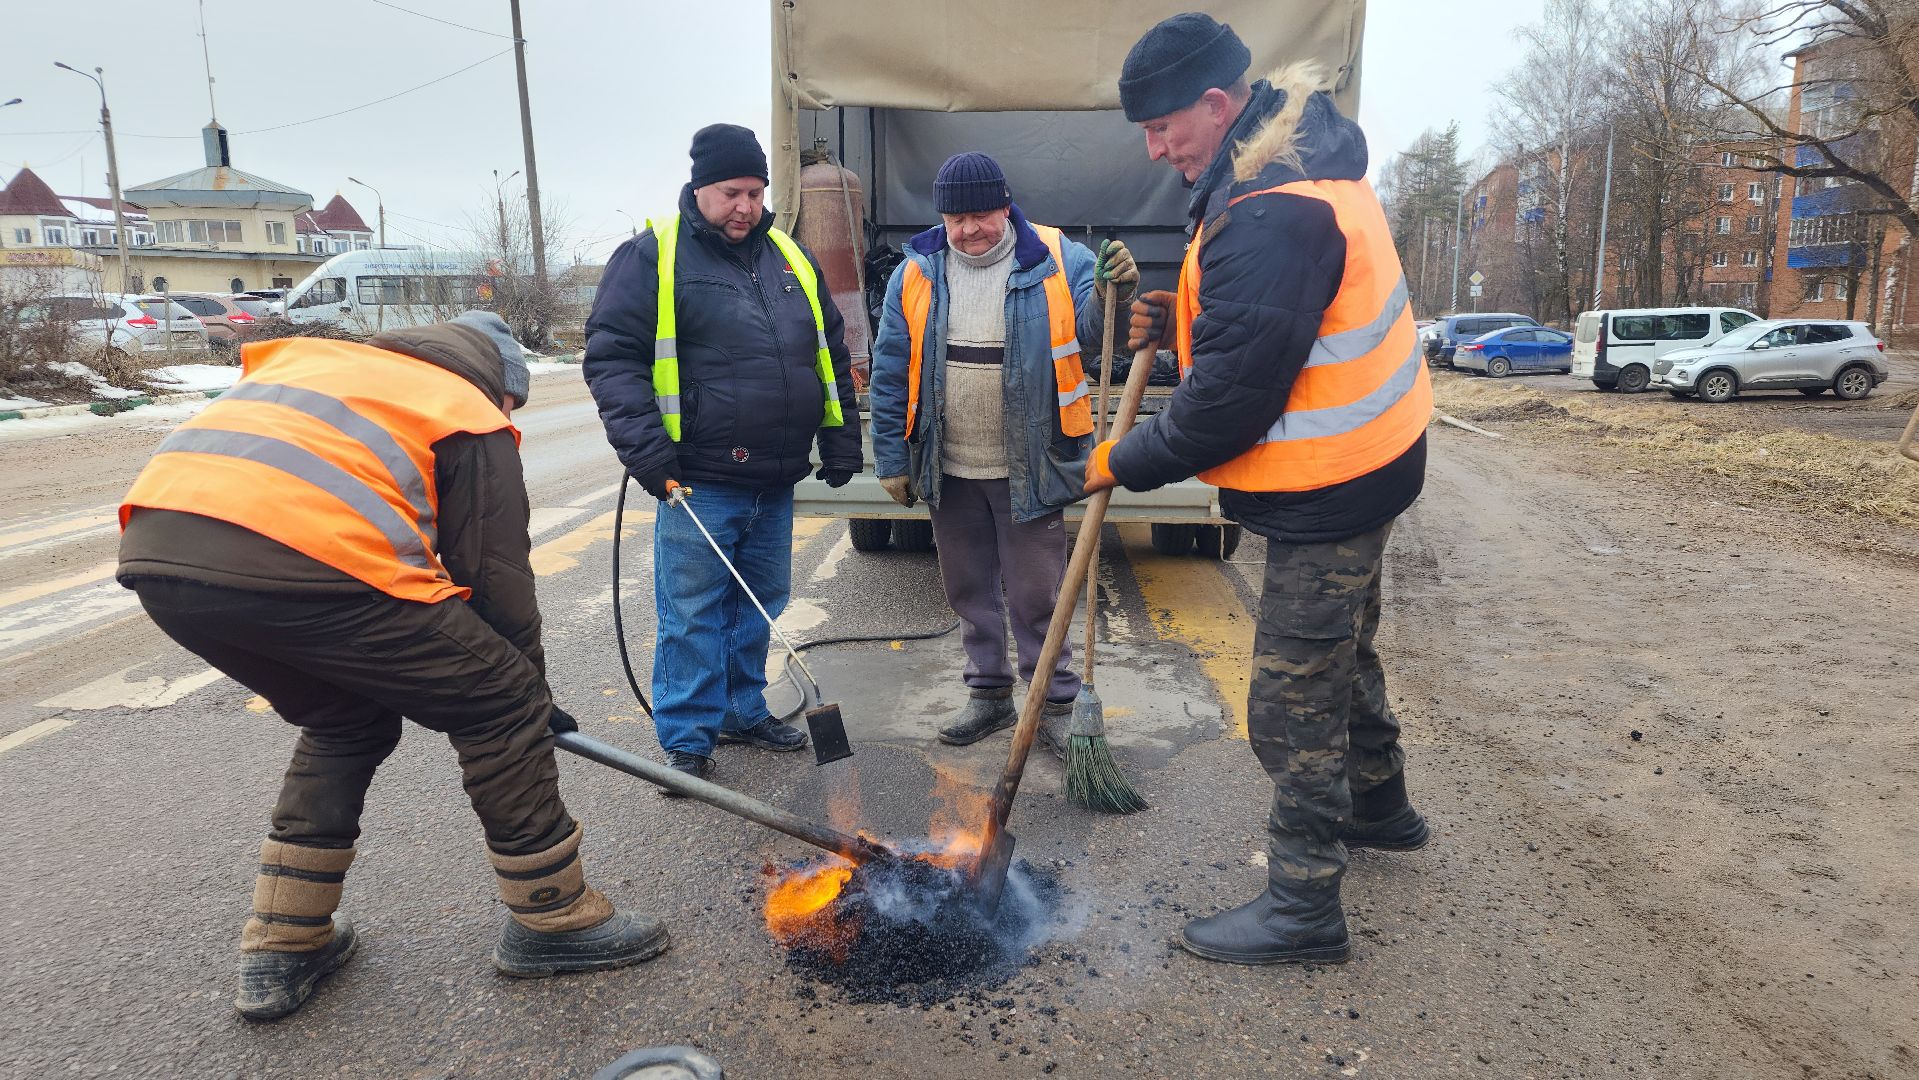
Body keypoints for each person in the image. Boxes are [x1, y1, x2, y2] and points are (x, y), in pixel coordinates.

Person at [118, 312, 665, 1021]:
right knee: (498, 702)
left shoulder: (324, 368)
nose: (509, 418)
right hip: (304, 565)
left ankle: (285, 939)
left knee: (345, 718)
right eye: (513, 405)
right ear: (498, 385)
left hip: (161, 563)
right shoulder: (461, 405)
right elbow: (494, 576)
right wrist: (526, 693)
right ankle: (553, 918)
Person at [1087, 13, 1434, 966]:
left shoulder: (1274, 210)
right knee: (1343, 649)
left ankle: (1303, 906)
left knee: (1291, 703)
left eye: (1163, 129)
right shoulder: (1291, 161)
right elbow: (1266, 320)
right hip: (1376, 457)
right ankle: (1382, 809)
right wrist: (1183, 312)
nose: (1156, 151)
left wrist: (1118, 462)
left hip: (1335, 481)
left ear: (1215, 103)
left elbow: (1225, 409)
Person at [584, 124, 863, 787]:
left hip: (775, 474)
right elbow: (612, 360)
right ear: (700, 187)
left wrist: (841, 437)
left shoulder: (789, 257)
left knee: (759, 602)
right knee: (693, 613)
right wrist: (648, 454)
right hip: (697, 478)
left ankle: (742, 710)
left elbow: (830, 350)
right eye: (731, 193)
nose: (745, 206)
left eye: (755, 192)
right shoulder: (653, 255)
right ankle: (686, 739)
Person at [868, 153, 1137, 748]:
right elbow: (890, 366)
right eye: (956, 218)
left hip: (1032, 463)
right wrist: (891, 457)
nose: (970, 230)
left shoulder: (1057, 258)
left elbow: (1096, 334)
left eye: (982, 215)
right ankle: (988, 694)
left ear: (1006, 206)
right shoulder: (915, 270)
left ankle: (1057, 702)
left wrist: (1114, 290)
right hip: (949, 462)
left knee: (1039, 592)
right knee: (967, 588)